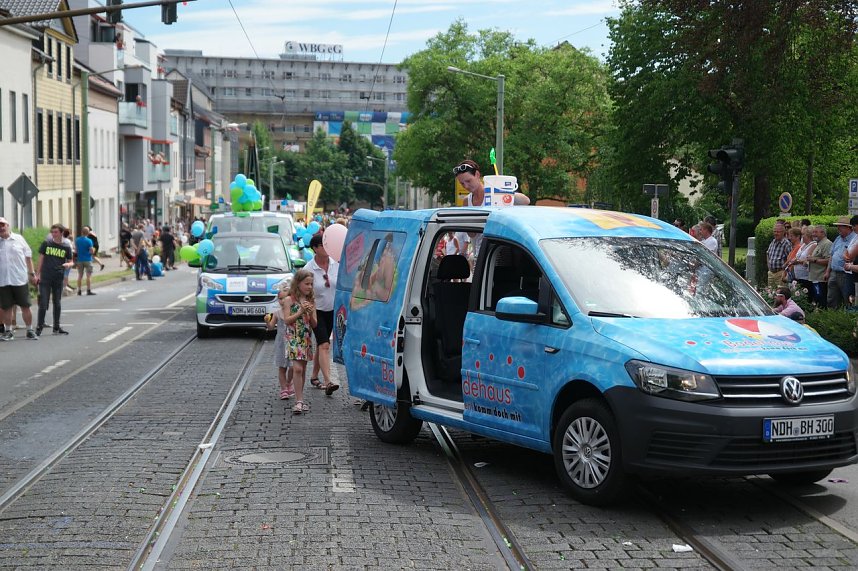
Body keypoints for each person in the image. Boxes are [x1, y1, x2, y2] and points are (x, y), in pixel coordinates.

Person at [305, 234, 340, 396]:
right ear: (315, 248)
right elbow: (301, 290)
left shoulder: (336, 264)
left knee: (322, 344)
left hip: (333, 310)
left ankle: (314, 376)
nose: (327, 248)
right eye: (323, 245)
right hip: (316, 311)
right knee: (324, 344)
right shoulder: (308, 268)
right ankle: (328, 381)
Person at [283, 269, 318, 415]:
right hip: (293, 337)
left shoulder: (311, 301)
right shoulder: (289, 300)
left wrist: (309, 313)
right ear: (298, 283)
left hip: (305, 338)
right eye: (306, 284)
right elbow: (287, 320)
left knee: (302, 369)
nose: (309, 287)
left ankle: (300, 398)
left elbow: (315, 324)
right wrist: (300, 312)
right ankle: (299, 401)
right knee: (297, 368)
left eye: (311, 284)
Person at [0, 217, 38, 340]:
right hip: (3, 280)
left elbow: (28, 257)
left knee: (25, 306)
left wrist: (32, 274)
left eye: (3, 225)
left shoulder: (19, 239)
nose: (1, 228)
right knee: (6, 307)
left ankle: (30, 330)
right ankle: (8, 331)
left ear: (8, 225)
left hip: (19, 279)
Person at [36, 224, 75, 335]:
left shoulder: (66, 247)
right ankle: (39, 327)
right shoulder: (46, 244)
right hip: (46, 277)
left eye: (56, 232)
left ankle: (56, 327)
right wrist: (37, 274)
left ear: (61, 233)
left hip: (58, 277)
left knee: (57, 302)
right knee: (43, 302)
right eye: (52, 232)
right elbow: (41, 259)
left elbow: (71, 261)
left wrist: (68, 264)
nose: (53, 234)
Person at [266, 287, 295, 400]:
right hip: (281, 344)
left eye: (285, 298)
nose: (283, 301)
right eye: (280, 298)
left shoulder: (294, 312)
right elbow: (271, 327)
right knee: (282, 367)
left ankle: (289, 382)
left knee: (293, 367)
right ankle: (283, 389)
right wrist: (267, 321)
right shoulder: (277, 313)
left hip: (292, 343)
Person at [825, 216, 856, 308]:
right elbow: (832, 255)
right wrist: (827, 271)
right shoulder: (838, 238)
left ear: (848, 228)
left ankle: (848, 315)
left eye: (841, 226)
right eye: (837, 226)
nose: (838, 228)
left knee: (847, 297)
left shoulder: (854, 239)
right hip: (834, 272)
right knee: (831, 298)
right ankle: (832, 315)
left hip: (846, 273)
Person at [790, 226, 817, 293]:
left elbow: (808, 260)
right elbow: (798, 256)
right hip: (798, 276)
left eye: (803, 234)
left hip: (805, 277)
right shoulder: (803, 245)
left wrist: (797, 261)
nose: (802, 236)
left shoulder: (813, 245)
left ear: (808, 235)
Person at [766, 223, 791, 288]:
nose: (776, 233)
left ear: (783, 232)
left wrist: (784, 271)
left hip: (780, 273)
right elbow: (768, 254)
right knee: (770, 292)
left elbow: (790, 259)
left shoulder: (786, 243)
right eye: (774, 231)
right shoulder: (773, 242)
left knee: (780, 292)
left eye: (778, 232)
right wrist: (769, 267)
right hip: (771, 273)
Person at [75, 227, 96, 296]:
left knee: (80, 275)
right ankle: (88, 290)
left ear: (82, 232)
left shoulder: (77, 240)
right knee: (88, 276)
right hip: (88, 259)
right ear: (88, 233)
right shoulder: (89, 241)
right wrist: (93, 251)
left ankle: (79, 290)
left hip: (79, 259)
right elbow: (91, 251)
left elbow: (76, 250)